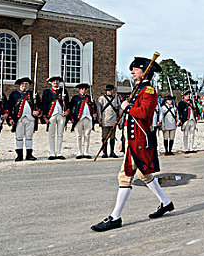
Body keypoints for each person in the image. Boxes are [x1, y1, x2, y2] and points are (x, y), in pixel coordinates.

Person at [91, 56, 174, 232]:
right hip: (133, 139)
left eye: (135, 69)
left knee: (125, 175)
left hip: (140, 140)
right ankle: (166, 203)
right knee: (145, 175)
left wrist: (127, 107)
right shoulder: (139, 89)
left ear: (144, 71)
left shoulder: (148, 91)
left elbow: (144, 113)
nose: (132, 72)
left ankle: (115, 217)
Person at [8, 77, 40, 161]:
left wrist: (37, 112)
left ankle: (29, 154)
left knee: (29, 136)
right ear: (20, 85)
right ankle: (19, 155)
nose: (24, 85)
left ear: (29, 85)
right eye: (22, 84)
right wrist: (10, 118)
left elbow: (39, 105)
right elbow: (10, 107)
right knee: (19, 136)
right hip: (19, 119)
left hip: (30, 119)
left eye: (26, 83)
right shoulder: (14, 94)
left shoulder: (33, 94)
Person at [42, 76, 69, 160]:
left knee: (60, 134)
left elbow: (67, 103)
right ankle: (52, 153)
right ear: (51, 82)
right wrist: (45, 117)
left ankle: (59, 152)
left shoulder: (63, 91)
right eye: (54, 81)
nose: (56, 82)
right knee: (51, 134)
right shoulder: (47, 92)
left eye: (57, 81)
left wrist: (67, 111)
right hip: (51, 115)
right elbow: (44, 104)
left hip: (61, 114)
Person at [70, 83, 97, 159]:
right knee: (79, 136)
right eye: (82, 89)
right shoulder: (75, 98)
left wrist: (94, 113)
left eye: (85, 89)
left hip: (88, 118)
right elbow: (71, 108)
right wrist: (72, 117)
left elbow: (94, 107)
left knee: (87, 136)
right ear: (79, 90)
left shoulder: (90, 97)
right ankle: (79, 152)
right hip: (78, 119)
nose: (84, 90)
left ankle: (86, 152)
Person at [97, 84, 121, 158]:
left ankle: (112, 152)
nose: (110, 92)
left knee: (113, 137)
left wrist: (119, 119)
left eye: (111, 90)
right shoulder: (101, 99)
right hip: (105, 120)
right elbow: (99, 109)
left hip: (113, 120)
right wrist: (100, 119)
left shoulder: (116, 99)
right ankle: (105, 153)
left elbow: (119, 108)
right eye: (108, 90)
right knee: (104, 137)